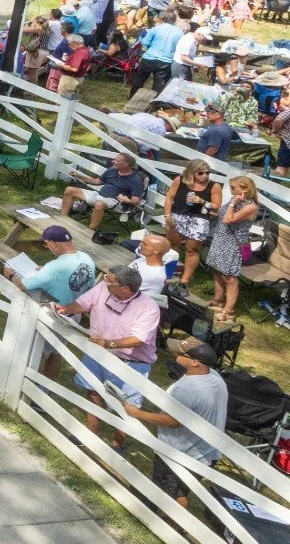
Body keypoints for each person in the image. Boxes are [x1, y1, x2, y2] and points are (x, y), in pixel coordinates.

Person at [124, 337, 229, 509]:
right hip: (206, 453)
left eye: (181, 353)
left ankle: (174, 527)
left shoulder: (186, 389)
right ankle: (171, 523)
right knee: (179, 491)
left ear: (195, 362)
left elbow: (173, 422)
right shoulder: (216, 378)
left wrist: (138, 413)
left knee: (170, 491)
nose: (175, 353)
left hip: (180, 452)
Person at [57, 266, 160, 438]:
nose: (105, 283)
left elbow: (139, 339)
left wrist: (109, 343)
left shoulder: (149, 308)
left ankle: (117, 444)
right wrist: (66, 310)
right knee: (92, 391)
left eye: (109, 281)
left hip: (132, 363)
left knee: (127, 406)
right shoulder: (103, 288)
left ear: (125, 288)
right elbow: (83, 303)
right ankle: (92, 433)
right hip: (98, 353)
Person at [206, 173, 259, 323]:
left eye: (233, 188)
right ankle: (218, 300)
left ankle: (228, 311)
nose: (230, 190)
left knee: (229, 277)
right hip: (220, 239)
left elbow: (229, 219)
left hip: (232, 243)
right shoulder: (234, 200)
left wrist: (233, 203)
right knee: (217, 269)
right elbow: (222, 215)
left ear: (245, 189)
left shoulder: (250, 207)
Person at [165, 160, 221, 288]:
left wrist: (202, 201)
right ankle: (169, 272)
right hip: (178, 215)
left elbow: (216, 207)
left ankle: (185, 281)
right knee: (173, 245)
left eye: (207, 173)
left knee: (192, 250)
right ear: (191, 172)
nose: (205, 176)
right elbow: (169, 198)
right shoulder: (179, 180)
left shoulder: (214, 186)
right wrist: (168, 215)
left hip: (199, 218)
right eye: (200, 173)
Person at [58, 152, 148, 232]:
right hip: (99, 196)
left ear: (126, 164)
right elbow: (97, 181)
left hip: (115, 202)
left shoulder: (136, 180)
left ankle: (90, 230)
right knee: (69, 190)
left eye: (116, 160)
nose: (113, 161)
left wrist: (127, 200)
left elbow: (136, 200)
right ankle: (63, 218)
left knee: (99, 204)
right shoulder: (112, 170)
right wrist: (79, 176)